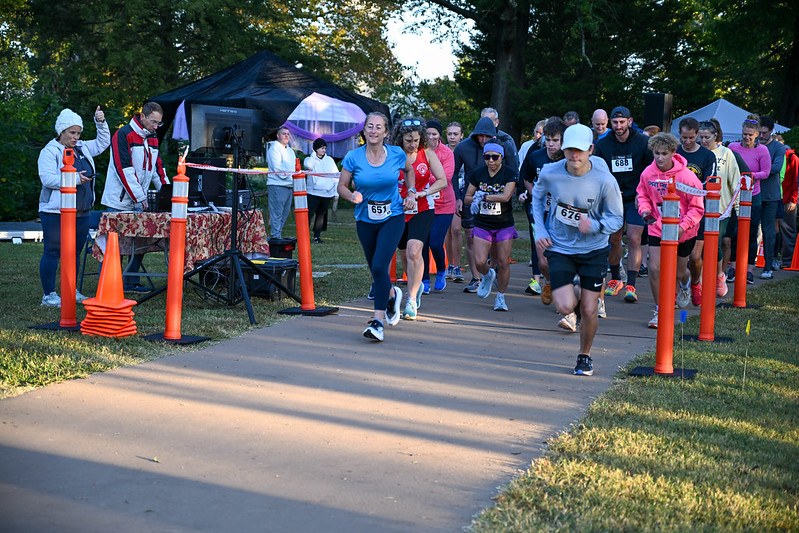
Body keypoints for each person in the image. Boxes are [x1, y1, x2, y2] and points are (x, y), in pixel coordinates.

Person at [532, 124, 623, 376]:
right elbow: (537, 199)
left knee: (589, 310)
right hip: (560, 247)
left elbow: (617, 220)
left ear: (591, 150)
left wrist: (594, 225)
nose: (574, 156)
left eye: (580, 151)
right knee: (563, 307)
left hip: (593, 249)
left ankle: (584, 356)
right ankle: (575, 288)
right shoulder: (551, 172)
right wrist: (540, 230)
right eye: (569, 151)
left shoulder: (604, 180)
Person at [337, 112, 415, 341]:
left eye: (378, 127)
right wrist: (351, 196)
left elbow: (409, 171)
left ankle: (378, 322)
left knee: (381, 265)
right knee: (375, 268)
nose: (373, 130)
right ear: (364, 131)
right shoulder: (353, 157)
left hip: (393, 216)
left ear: (386, 133)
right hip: (365, 220)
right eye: (369, 126)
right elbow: (341, 185)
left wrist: (410, 192)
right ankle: (392, 294)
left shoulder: (397, 154)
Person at [38, 106, 110, 307]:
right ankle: (49, 295)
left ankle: (71, 290)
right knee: (53, 250)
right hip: (54, 211)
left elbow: (104, 142)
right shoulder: (49, 151)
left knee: (75, 251)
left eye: (78, 133)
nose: (76, 137)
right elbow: (47, 179)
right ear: (61, 132)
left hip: (82, 209)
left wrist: (101, 123)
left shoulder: (83, 147)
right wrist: (75, 179)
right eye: (72, 132)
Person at [636, 133, 705, 328]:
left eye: (664, 154)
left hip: (684, 231)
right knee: (655, 268)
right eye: (656, 153)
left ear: (673, 152)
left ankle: (685, 284)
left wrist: (683, 227)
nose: (659, 158)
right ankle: (660, 310)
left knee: (678, 271)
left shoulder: (687, 176)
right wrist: (646, 211)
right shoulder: (648, 173)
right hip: (657, 227)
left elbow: (698, 207)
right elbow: (642, 195)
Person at [101, 101, 169, 292]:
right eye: (153, 122)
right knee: (115, 246)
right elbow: (124, 170)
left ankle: (130, 282)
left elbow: (157, 168)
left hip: (139, 201)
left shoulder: (153, 136)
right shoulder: (123, 134)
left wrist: (168, 193)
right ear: (142, 116)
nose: (156, 127)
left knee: (140, 242)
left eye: (159, 123)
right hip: (118, 201)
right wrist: (140, 197)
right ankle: (108, 285)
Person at [593, 105, 653, 304]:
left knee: (635, 238)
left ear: (630, 121)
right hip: (613, 199)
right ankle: (616, 279)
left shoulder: (643, 142)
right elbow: (598, 171)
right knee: (615, 240)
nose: (618, 126)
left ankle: (632, 285)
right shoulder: (603, 145)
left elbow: (652, 169)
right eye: (615, 122)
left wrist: (643, 192)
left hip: (636, 198)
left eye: (622, 122)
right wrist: (608, 190)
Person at [393, 118, 447, 320]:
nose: (413, 144)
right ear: (401, 139)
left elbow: (442, 181)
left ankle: (412, 298)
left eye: (416, 140)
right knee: (405, 255)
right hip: (398, 211)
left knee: (416, 250)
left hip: (422, 208)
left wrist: (424, 193)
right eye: (408, 140)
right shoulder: (393, 154)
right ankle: (413, 284)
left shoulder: (428, 154)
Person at [464, 140, 517, 311]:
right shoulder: (478, 174)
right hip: (482, 223)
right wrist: (476, 197)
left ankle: (500, 297)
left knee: (503, 262)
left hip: (503, 224)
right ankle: (487, 275)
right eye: (487, 157)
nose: (491, 161)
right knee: (479, 261)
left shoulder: (509, 173)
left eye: (495, 157)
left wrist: (483, 196)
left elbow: (506, 197)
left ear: (501, 157)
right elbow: (467, 197)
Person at [518, 117, 567, 302]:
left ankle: (563, 291)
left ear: (563, 141)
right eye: (548, 139)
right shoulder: (536, 156)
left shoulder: (568, 158)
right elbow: (526, 179)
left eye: (555, 140)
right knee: (543, 260)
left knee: (562, 255)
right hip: (540, 211)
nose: (551, 144)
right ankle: (548, 281)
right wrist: (536, 196)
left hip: (563, 215)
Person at [453, 116, 498, 292]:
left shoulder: (501, 146)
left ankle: (491, 269)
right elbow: (454, 173)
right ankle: (475, 277)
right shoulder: (463, 147)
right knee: (470, 237)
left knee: (493, 239)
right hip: (470, 198)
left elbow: (511, 170)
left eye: (488, 137)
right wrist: (457, 197)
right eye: (481, 136)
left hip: (494, 199)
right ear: (475, 135)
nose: (484, 140)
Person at [697, 118, 742, 297]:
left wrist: (736, 207)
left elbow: (735, 180)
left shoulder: (727, 153)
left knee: (714, 243)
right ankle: (699, 281)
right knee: (698, 246)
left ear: (716, 136)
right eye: (701, 137)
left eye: (707, 137)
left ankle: (718, 275)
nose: (704, 141)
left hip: (722, 209)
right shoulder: (697, 152)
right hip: (699, 207)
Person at [676, 117, 717, 305]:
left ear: (697, 135)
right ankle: (675, 289)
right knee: (675, 257)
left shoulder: (708, 156)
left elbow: (708, 184)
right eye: (684, 137)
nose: (687, 141)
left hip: (697, 210)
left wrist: (686, 188)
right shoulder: (674, 152)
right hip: (675, 211)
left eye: (691, 138)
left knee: (694, 256)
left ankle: (694, 282)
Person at [729, 116, 771, 284]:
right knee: (734, 233)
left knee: (751, 233)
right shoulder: (733, 147)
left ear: (756, 136)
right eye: (744, 134)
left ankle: (748, 269)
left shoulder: (762, 151)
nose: (746, 138)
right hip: (735, 195)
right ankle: (732, 267)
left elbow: (766, 172)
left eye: (750, 135)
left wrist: (747, 176)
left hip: (753, 196)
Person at [422, 119, 456, 292]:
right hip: (424, 204)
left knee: (435, 242)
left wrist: (425, 177)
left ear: (439, 136)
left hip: (444, 205)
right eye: (428, 133)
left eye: (434, 133)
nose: (431, 137)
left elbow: (446, 178)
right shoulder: (420, 151)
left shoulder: (447, 153)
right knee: (422, 242)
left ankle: (441, 270)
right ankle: (425, 280)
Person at [756, 115, 787, 278]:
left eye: (765, 133)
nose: (761, 136)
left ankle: (768, 265)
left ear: (771, 131)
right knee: (749, 230)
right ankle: (745, 266)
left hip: (770, 195)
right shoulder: (752, 144)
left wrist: (756, 172)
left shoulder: (778, 148)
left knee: (769, 231)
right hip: (753, 194)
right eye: (759, 132)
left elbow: (775, 168)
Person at [303, 138, 338, 243]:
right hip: (312, 193)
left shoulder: (329, 160)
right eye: (321, 148)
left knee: (321, 215)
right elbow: (308, 166)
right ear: (316, 149)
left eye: (325, 148)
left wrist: (336, 192)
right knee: (309, 215)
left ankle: (317, 236)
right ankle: (304, 236)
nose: (323, 150)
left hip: (326, 193)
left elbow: (336, 176)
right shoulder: (309, 159)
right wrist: (313, 155)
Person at [445, 121, 466, 282]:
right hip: (445, 192)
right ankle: (449, 265)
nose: (452, 137)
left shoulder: (465, 150)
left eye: (455, 134)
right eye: (450, 134)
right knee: (448, 230)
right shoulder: (442, 150)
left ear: (461, 135)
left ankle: (457, 265)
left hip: (461, 192)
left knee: (457, 229)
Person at [266, 126, 296, 239]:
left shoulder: (290, 151)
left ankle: (277, 235)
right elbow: (277, 169)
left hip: (289, 185)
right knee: (277, 213)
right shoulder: (274, 149)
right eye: (284, 134)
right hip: (277, 185)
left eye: (288, 134)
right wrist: (290, 176)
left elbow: (293, 168)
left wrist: (293, 178)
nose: (286, 136)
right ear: (278, 136)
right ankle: (275, 236)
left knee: (284, 213)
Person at [480, 107, 519, 176]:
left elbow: (514, 164)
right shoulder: (473, 139)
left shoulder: (507, 140)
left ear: (497, 122)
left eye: (490, 121)